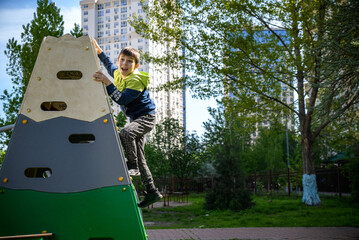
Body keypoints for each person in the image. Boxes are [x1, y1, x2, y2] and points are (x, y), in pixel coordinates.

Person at [92, 38, 162, 208]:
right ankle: (152, 191)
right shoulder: (118, 72)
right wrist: (98, 51)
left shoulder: (136, 80)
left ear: (135, 66)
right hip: (136, 119)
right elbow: (108, 64)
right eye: (122, 60)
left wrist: (107, 82)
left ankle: (132, 165)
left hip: (146, 118)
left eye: (129, 62)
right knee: (141, 158)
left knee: (126, 133)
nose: (124, 64)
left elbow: (122, 99)